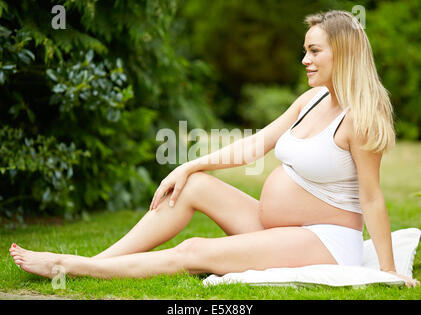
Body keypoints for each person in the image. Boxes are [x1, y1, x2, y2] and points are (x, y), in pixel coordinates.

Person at [9, 10, 419, 288]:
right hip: (278, 228)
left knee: (195, 251)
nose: (304, 60)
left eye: (314, 51)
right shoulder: (311, 99)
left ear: (343, 53)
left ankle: (75, 267)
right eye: (305, 50)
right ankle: (100, 260)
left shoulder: (360, 119)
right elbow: (255, 145)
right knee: (191, 186)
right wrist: (188, 165)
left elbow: (372, 197)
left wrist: (386, 272)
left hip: (324, 241)